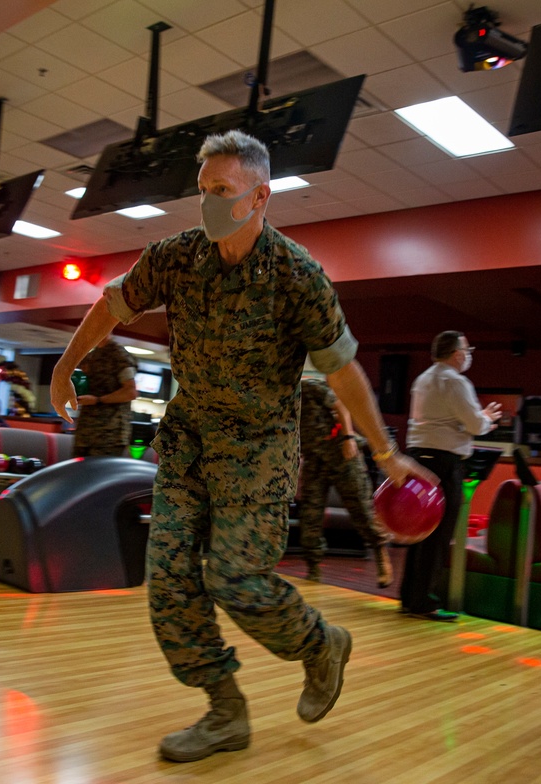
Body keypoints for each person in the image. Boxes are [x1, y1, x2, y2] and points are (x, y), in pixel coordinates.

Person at [50, 130, 432, 763]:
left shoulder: (296, 275)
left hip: (259, 453)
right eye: (202, 191)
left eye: (221, 191)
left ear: (260, 197)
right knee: (169, 581)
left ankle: (319, 645)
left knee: (234, 579)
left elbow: (342, 370)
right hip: (187, 445)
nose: (208, 204)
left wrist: (386, 452)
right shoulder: (176, 256)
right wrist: (65, 368)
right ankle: (225, 711)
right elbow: (113, 303)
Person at [399, 331, 502, 622]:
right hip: (444, 463)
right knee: (439, 533)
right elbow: (474, 424)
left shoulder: (423, 379)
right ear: (457, 353)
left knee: (420, 532)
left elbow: (443, 419)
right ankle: (424, 603)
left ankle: (410, 597)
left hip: (419, 460)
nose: (468, 354)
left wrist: (474, 420)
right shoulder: (456, 381)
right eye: (467, 349)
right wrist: (487, 418)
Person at [298, 378, 393, 586]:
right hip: (314, 460)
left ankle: (380, 553)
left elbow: (340, 405)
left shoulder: (310, 387)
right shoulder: (279, 401)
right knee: (310, 517)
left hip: (341, 453)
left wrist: (349, 438)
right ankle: (313, 569)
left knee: (361, 510)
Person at [72, 335, 138, 457]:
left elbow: (130, 392)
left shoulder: (119, 355)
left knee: (99, 474)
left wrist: (98, 400)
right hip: (85, 434)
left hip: (109, 436)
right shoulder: (91, 356)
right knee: (77, 474)